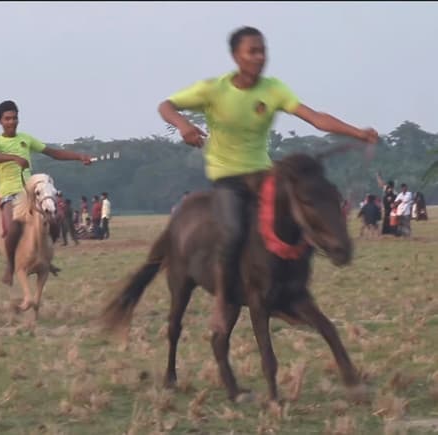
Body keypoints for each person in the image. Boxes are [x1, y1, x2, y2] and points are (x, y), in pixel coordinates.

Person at [158, 26, 378, 334]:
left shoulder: (273, 89)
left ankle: (291, 290)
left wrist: (357, 132)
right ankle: (222, 302)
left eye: (262, 50)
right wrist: (183, 125)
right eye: (252, 51)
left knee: (299, 215)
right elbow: (166, 106)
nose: (260, 57)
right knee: (233, 232)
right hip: (228, 179)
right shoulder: (213, 89)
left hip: (263, 175)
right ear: (236, 56)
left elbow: (316, 118)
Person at [0, 100, 92, 286]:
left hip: (29, 193)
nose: (11, 122)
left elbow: (53, 153)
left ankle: (46, 259)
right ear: (0, 121)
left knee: (54, 221)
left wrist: (79, 156)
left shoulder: (26, 139)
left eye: (14, 118)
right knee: (13, 229)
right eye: (7, 119)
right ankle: (10, 266)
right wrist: (13, 158)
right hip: (9, 195)